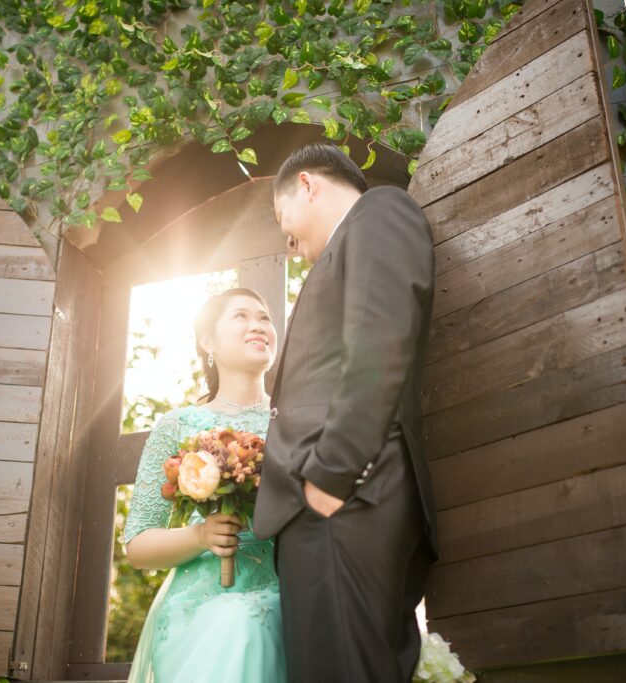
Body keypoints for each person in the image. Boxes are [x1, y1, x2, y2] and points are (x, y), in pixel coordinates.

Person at [253, 142, 440, 682]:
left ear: (308, 185)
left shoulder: (379, 212)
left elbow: (380, 338)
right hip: (343, 502)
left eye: (280, 216)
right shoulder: (348, 245)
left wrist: (330, 477)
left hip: (347, 497)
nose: (287, 241)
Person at [122, 288, 285, 683]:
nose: (257, 325)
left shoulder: (295, 423)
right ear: (207, 341)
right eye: (241, 316)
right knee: (241, 626)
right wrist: (200, 535)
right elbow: (138, 546)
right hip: (201, 605)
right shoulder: (177, 427)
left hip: (290, 591)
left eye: (264, 317)